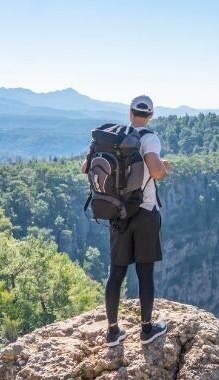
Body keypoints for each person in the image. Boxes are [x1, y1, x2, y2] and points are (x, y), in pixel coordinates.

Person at [83, 95, 173, 347]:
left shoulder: (115, 139)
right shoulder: (149, 138)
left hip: (118, 212)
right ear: (151, 115)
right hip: (144, 211)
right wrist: (164, 169)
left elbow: (85, 168)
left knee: (116, 272)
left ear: (130, 112)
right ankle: (146, 330)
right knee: (145, 271)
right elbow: (155, 171)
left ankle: (112, 332)